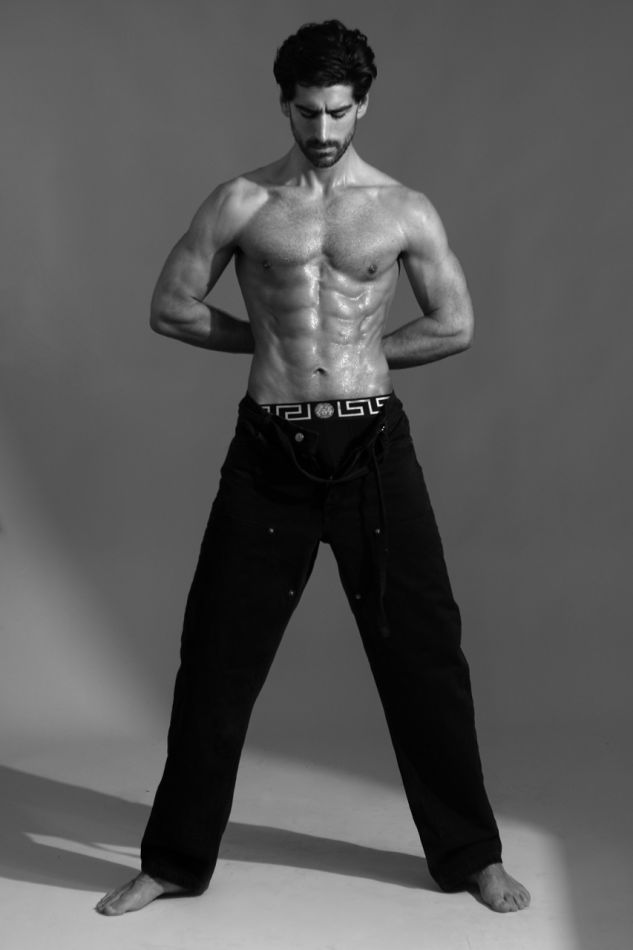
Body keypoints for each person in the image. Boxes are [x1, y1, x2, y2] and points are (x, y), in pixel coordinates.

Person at [96, 20, 530, 916]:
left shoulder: (404, 209)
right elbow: (171, 307)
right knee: (215, 657)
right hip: (270, 453)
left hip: (372, 448)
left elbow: (454, 324)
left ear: (361, 104)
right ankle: (173, 862)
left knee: (425, 658)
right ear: (283, 104)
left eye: (337, 111)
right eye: (306, 112)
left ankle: (470, 856)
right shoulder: (242, 202)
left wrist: (359, 356)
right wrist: (275, 348)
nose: (322, 130)